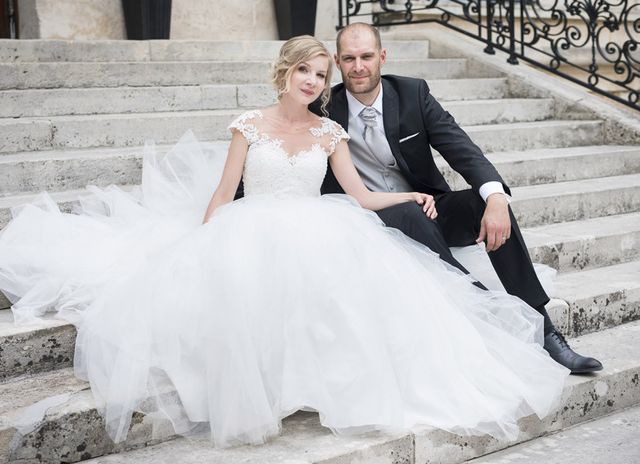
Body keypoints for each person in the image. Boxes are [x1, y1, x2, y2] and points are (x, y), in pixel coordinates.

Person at [0, 36, 569, 448]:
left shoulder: (334, 128)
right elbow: (225, 194)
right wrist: (203, 246)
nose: (316, 81)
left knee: (353, 284)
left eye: (323, 74)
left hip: (336, 219)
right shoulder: (248, 125)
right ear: (286, 72)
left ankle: (516, 316)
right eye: (309, 71)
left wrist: (414, 198)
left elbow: (363, 196)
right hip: (260, 224)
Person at [318, 22, 602, 374]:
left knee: (484, 204)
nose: (358, 66)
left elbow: (461, 149)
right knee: (409, 210)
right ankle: (486, 308)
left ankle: (544, 330)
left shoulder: (412, 95)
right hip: (367, 223)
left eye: (366, 56)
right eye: (349, 58)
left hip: (430, 211)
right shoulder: (324, 108)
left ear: (382, 57)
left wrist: (497, 198)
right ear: (337, 60)